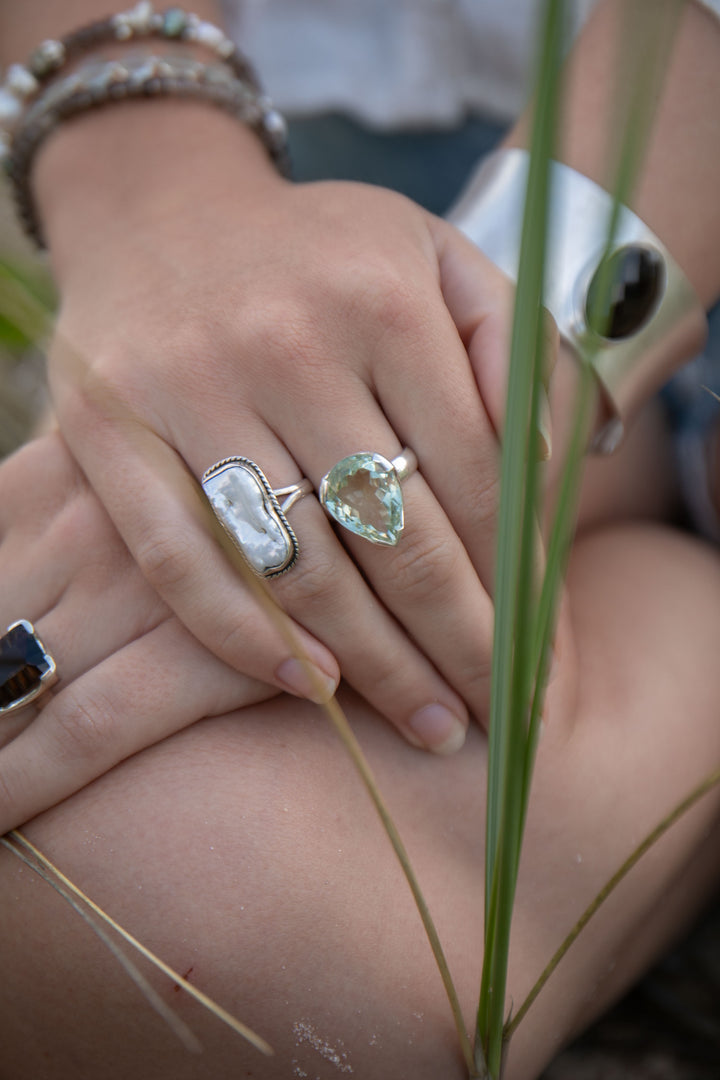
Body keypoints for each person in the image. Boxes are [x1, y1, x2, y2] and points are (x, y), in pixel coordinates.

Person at [0, 1, 719, 1077]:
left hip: (657, 163)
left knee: (166, 916)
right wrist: (150, 177)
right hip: (299, 142)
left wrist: (480, 385)